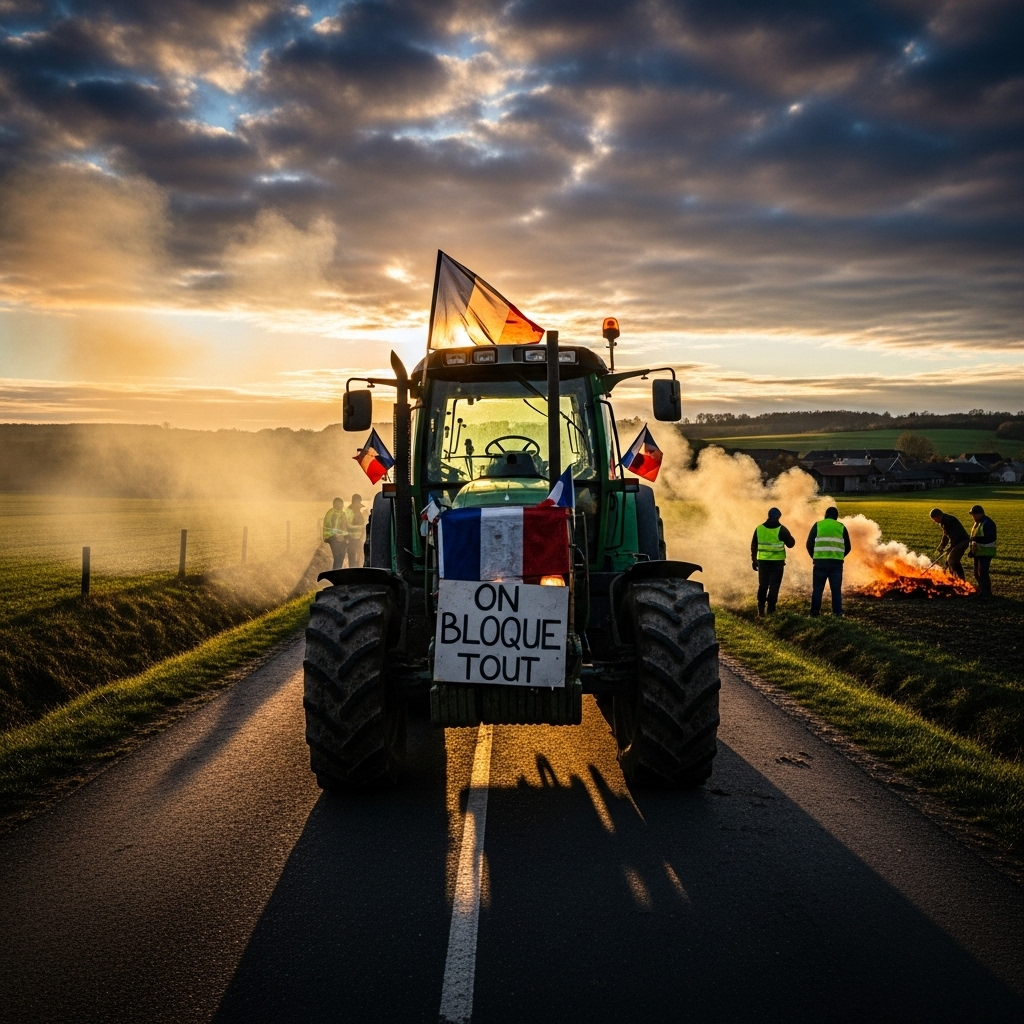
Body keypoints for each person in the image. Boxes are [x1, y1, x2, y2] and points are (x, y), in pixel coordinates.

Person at [805, 506, 852, 617]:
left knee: (817, 589)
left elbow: (809, 544)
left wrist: (814, 557)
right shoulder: (841, 527)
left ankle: (815, 612)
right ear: (836, 517)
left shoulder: (818, 525)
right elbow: (848, 547)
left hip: (820, 563)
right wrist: (840, 556)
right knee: (836, 590)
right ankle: (837, 613)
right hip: (836, 564)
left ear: (825, 515)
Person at [750, 507, 795, 615]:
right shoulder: (782, 529)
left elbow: (754, 546)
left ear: (768, 515)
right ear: (779, 517)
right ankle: (771, 609)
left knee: (763, 585)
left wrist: (754, 561)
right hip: (777, 563)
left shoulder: (759, 528)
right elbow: (791, 544)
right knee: (774, 586)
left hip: (763, 562)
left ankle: (760, 608)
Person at [930, 507, 969, 580]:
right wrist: (941, 547)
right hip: (958, 541)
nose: (935, 521)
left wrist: (950, 548)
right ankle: (956, 578)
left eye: (935, 519)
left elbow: (954, 536)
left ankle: (960, 579)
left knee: (952, 560)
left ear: (939, 516)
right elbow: (945, 536)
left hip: (962, 541)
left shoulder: (948, 521)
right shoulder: (943, 521)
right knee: (952, 559)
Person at [968, 504, 997, 598]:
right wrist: (971, 551)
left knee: (983, 573)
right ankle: (981, 590)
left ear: (980, 514)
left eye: (974, 515)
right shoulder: (977, 523)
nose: (973, 517)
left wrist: (976, 539)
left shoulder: (988, 523)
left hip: (986, 553)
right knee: (977, 573)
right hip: (978, 552)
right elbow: (973, 539)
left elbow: (990, 538)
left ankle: (986, 593)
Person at [323, 497, 347, 570]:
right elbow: (336, 528)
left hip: (330, 537)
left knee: (337, 558)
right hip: (336, 538)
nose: (342, 506)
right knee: (339, 558)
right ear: (337, 505)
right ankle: (336, 575)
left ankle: (336, 574)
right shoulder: (337, 514)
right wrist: (341, 537)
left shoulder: (330, 512)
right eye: (341, 505)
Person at [345, 494, 366, 568]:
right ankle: (352, 572)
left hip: (359, 539)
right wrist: (360, 527)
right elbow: (346, 526)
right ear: (354, 501)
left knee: (359, 559)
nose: (359, 506)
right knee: (352, 557)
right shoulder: (349, 512)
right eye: (358, 502)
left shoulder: (357, 510)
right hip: (351, 539)